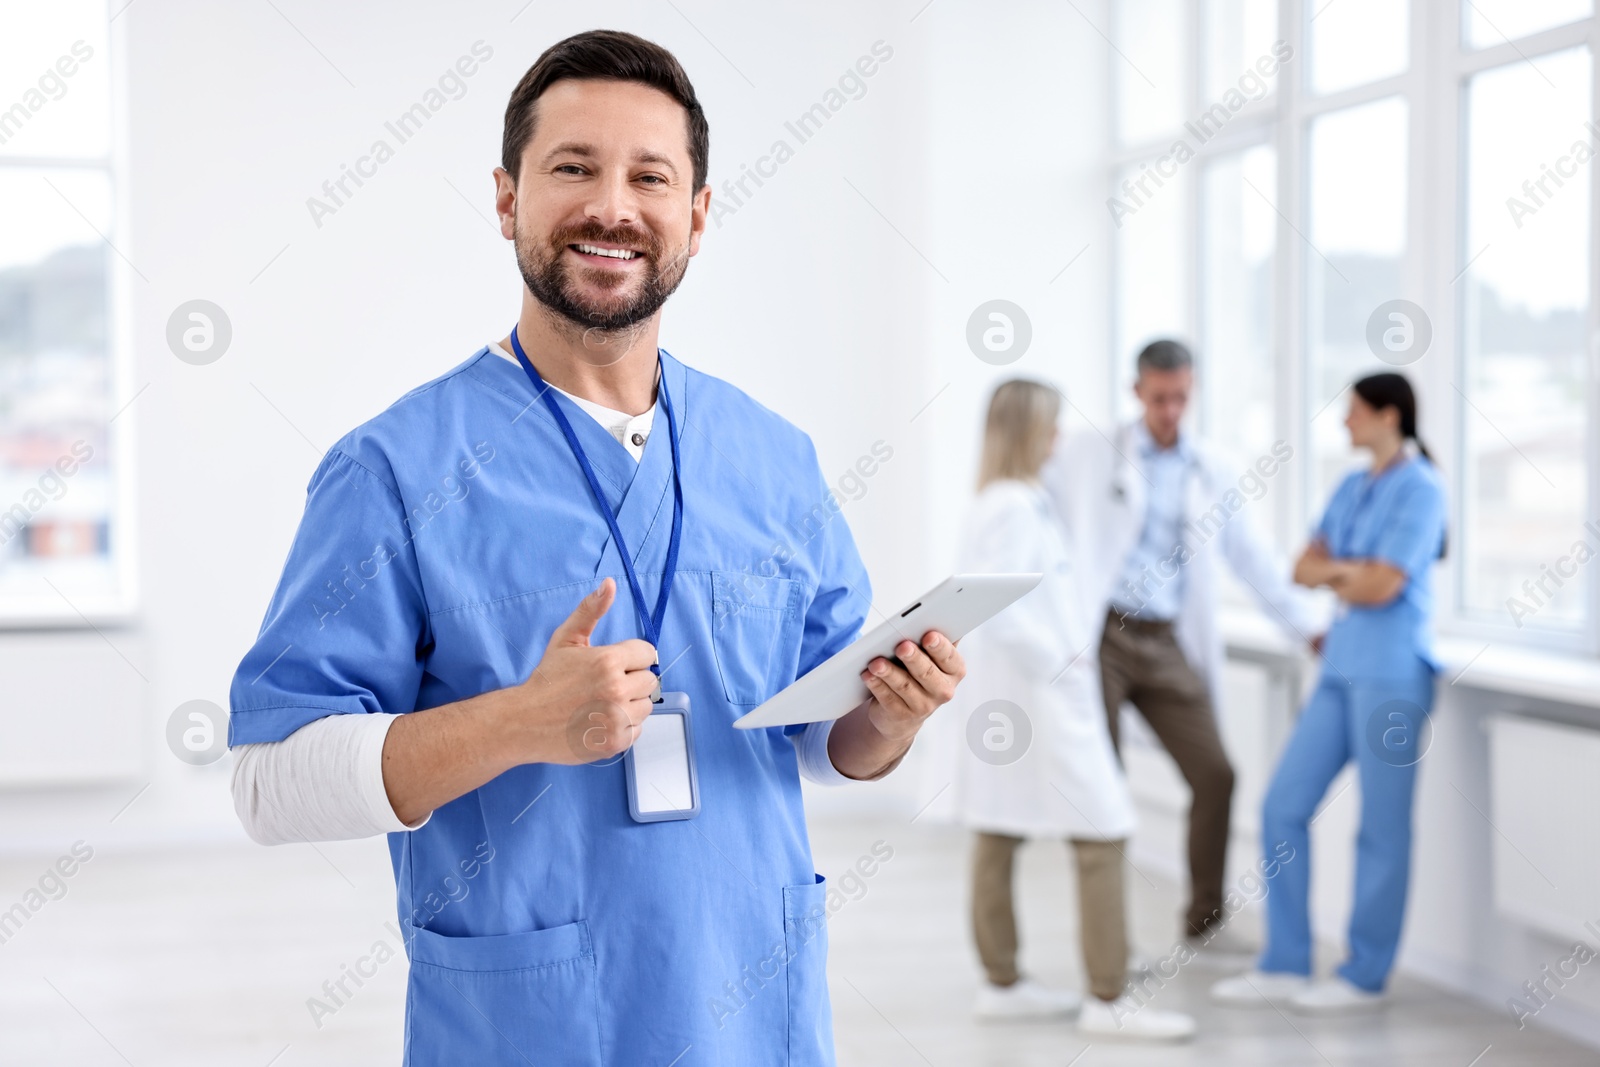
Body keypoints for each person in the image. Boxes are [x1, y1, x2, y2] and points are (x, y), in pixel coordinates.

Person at [226, 30, 967, 1066]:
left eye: (649, 177)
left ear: (696, 216)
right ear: (506, 199)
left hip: (757, 1013)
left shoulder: (773, 458)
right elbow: (267, 779)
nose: (611, 206)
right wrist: (516, 722)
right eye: (572, 167)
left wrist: (890, 718)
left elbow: (826, 743)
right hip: (532, 1025)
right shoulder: (395, 469)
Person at [936, 380, 1195, 1040]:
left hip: (1015, 695)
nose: (1058, 439)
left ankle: (1003, 981)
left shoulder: (1001, 501)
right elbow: (1001, 607)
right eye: (1051, 426)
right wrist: (1065, 660)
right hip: (1041, 692)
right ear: (1029, 431)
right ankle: (1108, 997)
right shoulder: (1016, 507)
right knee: (1103, 828)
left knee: (998, 827)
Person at [1044, 339, 1318, 961]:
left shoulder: (1212, 468)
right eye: (1159, 397)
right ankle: (1110, 947)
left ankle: (1205, 921)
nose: (1171, 410)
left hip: (1166, 639)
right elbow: (1043, 515)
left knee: (1216, 774)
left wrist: (1306, 626)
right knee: (1101, 785)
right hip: (1103, 637)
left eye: (1181, 398)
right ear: (1136, 391)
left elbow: (1253, 559)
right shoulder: (1093, 452)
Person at [1212, 372, 1446, 1015]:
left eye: (1354, 413)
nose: (1345, 423)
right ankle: (1286, 960)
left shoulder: (1423, 488)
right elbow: (1300, 567)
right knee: (1281, 805)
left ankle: (1364, 974)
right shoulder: (1350, 486)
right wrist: (1354, 571)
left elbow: (1382, 589)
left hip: (1395, 673)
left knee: (1381, 825)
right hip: (1341, 666)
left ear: (1389, 415)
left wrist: (1340, 574)